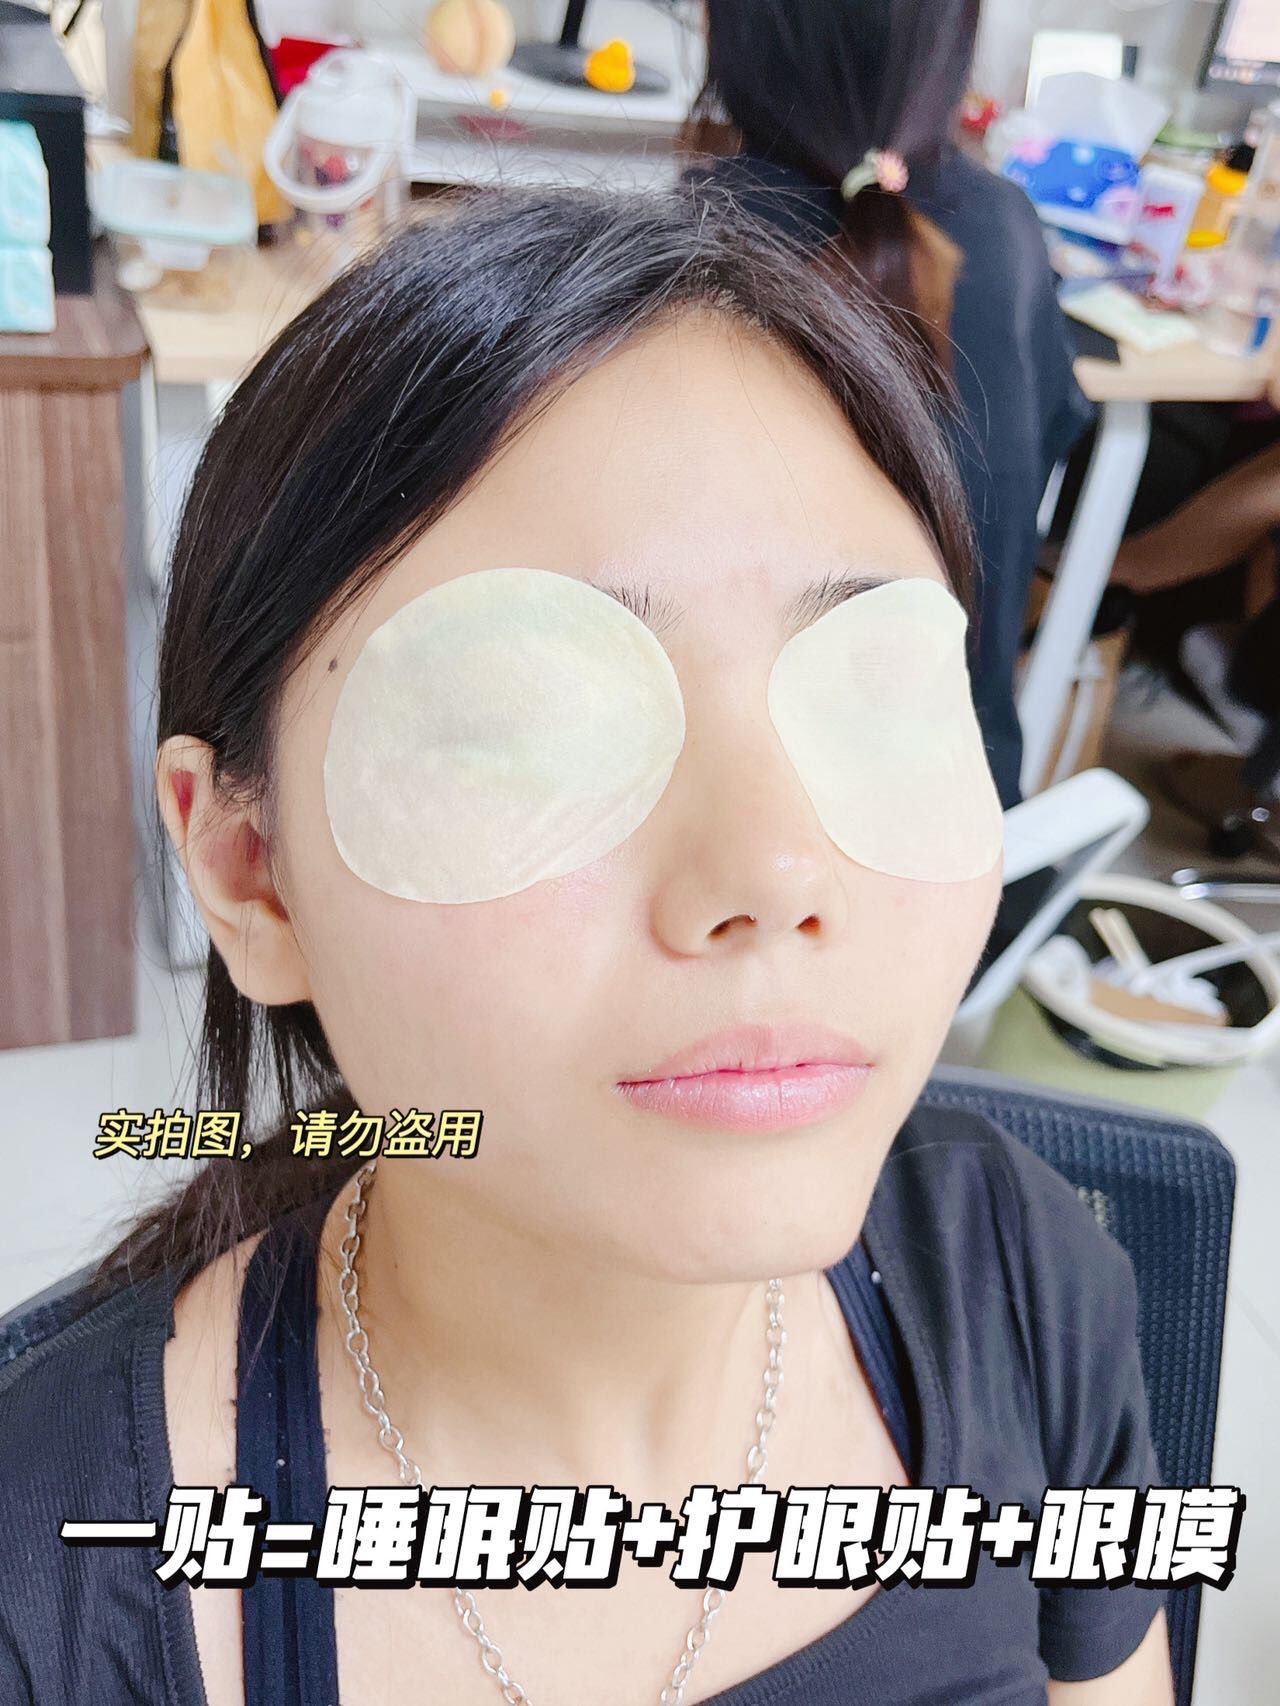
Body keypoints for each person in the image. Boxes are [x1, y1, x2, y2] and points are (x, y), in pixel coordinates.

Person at [0, 188, 1172, 1705]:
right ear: (249, 873)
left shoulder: (1020, 1273)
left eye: (874, 694)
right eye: (531, 724)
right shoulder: (59, 1595)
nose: (773, 871)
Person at [683, 0, 1093, 809]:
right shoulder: (1007, 224)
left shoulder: (700, 233)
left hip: (775, 819)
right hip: (967, 797)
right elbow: (1046, 437)